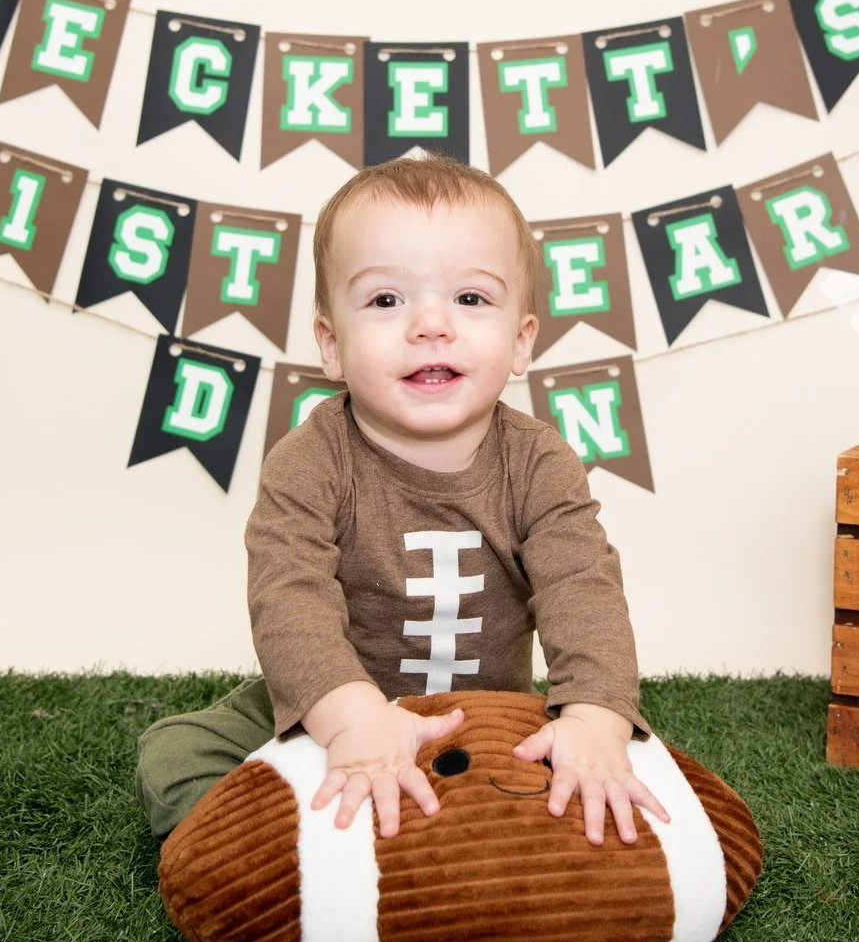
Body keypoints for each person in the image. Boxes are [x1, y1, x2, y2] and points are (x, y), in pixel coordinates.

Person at [137, 153, 665, 848]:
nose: (430, 325)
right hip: (329, 708)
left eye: (470, 299)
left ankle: (423, 834)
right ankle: (289, 857)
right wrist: (351, 721)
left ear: (521, 342)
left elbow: (583, 591)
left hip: (482, 718)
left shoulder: (540, 463)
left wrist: (593, 721)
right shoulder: (310, 460)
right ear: (331, 344)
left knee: (614, 761)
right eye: (386, 300)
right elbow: (288, 596)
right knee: (175, 757)